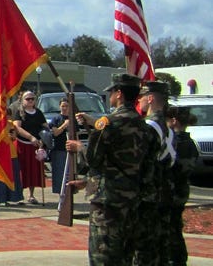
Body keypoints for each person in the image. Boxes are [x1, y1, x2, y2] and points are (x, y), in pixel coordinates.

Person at [67, 73, 156, 266]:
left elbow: (94, 160)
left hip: (108, 202)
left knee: (103, 257)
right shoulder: (145, 128)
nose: (111, 97)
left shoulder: (108, 124)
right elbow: (149, 166)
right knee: (126, 257)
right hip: (134, 201)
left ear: (120, 94)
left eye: (113, 92)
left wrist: (79, 148)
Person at [135, 81, 176, 266]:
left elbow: (138, 160)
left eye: (142, 97)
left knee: (144, 246)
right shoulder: (167, 126)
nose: (139, 101)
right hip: (163, 189)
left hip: (148, 193)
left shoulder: (150, 126)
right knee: (160, 244)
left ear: (150, 98)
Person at [166, 106, 199, 265]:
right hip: (182, 189)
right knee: (175, 226)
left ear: (174, 121)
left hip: (172, 190)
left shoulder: (175, 142)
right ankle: (179, 258)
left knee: (171, 228)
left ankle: (175, 259)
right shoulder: (190, 143)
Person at [13, 90, 49, 204]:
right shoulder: (19, 112)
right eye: (27, 99)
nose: (30, 101)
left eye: (32, 99)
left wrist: (44, 138)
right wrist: (30, 137)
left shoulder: (38, 113)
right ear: (22, 100)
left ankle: (31, 195)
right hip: (22, 144)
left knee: (33, 170)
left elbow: (44, 126)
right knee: (22, 170)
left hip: (35, 145)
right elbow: (17, 127)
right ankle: (19, 195)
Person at [0, 118, 24, 206]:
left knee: (12, 177)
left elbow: (14, 137)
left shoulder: (10, 124)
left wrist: (12, 136)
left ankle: (9, 198)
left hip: (12, 154)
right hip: (0, 156)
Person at [49, 97, 71, 194]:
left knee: (69, 174)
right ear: (59, 106)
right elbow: (55, 133)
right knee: (59, 173)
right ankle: (60, 193)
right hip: (58, 149)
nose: (64, 108)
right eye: (62, 106)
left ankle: (69, 193)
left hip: (70, 150)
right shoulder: (55, 119)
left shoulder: (72, 119)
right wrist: (64, 125)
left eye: (66, 106)